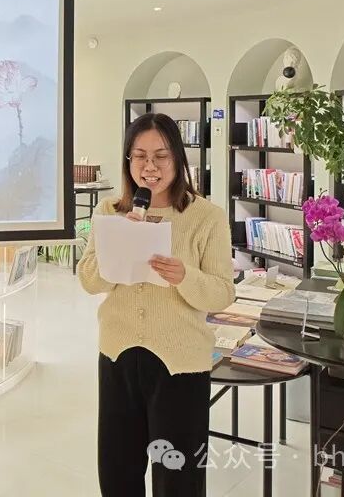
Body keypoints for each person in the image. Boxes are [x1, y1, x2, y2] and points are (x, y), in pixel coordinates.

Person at [78, 112, 234, 497]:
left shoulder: (207, 217)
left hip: (180, 364)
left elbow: (222, 293)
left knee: (178, 480)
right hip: (117, 355)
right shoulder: (109, 211)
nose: (150, 167)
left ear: (178, 159)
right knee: (117, 474)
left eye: (161, 156)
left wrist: (185, 277)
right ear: (128, 160)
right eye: (139, 156)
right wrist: (119, 246)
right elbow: (89, 280)